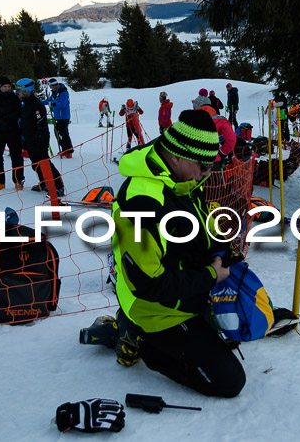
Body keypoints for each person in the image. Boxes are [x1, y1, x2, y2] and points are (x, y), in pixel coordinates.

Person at [110, 109, 245, 397]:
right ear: (176, 156)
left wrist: (223, 252)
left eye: (213, 164)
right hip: (155, 309)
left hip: (186, 295)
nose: (208, 173)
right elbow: (149, 285)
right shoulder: (141, 203)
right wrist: (211, 275)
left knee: (242, 327)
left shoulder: (181, 180)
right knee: (229, 382)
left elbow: (191, 230)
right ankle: (139, 336)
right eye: (203, 165)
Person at [15, 78, 65, 197]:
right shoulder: (26, 104)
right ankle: (44, 183)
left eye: (20, 91)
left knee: (45, 163)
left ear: (27, 91)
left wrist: (36, 139)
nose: (18, 93)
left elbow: (40, 124)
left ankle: (59, 186)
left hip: (39, 139)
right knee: (35, 164)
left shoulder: (36, 105)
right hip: (29, 139)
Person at [0, 76, 24, 191]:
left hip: (13, 131)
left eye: (9, 86)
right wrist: (8, 111)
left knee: (17, 157)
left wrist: (5, 113)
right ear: (0, 87)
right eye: (5, 87)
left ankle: (18, 180)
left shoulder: (14, 97)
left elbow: (18, 112)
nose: (7, 89)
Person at [42, 77, 73, 158]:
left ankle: (69, 151)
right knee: (58, 134)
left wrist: (53, 104)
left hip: (63, 117)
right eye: (50, 86)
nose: (51, 88)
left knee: (64, 134)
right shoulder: (54, 93)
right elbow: (49, 101)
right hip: (57, 117)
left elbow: (63, 104)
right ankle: (64, 149)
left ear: (55, 85)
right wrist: (39, 102)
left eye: (52, 86)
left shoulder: (63, 93)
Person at [199, 105, 236, 171]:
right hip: (212, 158)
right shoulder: (221, 121)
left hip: (190, 161)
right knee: (215, 180)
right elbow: (231, 139)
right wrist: (223, 152)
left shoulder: (188, 120)